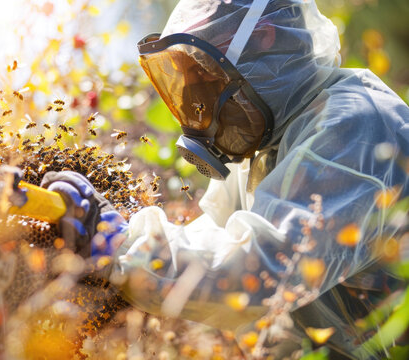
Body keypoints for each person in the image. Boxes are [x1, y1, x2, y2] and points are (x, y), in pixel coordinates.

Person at [41, 0, 409, 358]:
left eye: (199, 66)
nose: (192, 88)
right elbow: (213, 244)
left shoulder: (355, 126)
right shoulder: (270, 139)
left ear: (263, 36)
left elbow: (258, 273)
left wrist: (121, 243)